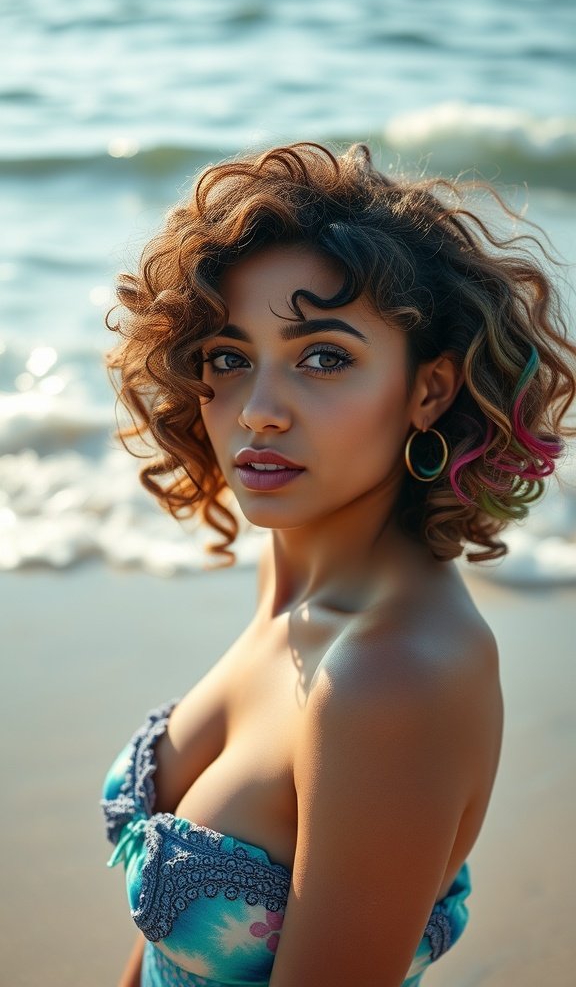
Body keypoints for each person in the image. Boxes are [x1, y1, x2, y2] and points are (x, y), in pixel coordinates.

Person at [101, 142, 576, 987]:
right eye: (228, 356)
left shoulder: (393, 677)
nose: (261, 411)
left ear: (428, 390)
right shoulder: (293, 585)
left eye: (323, 357)